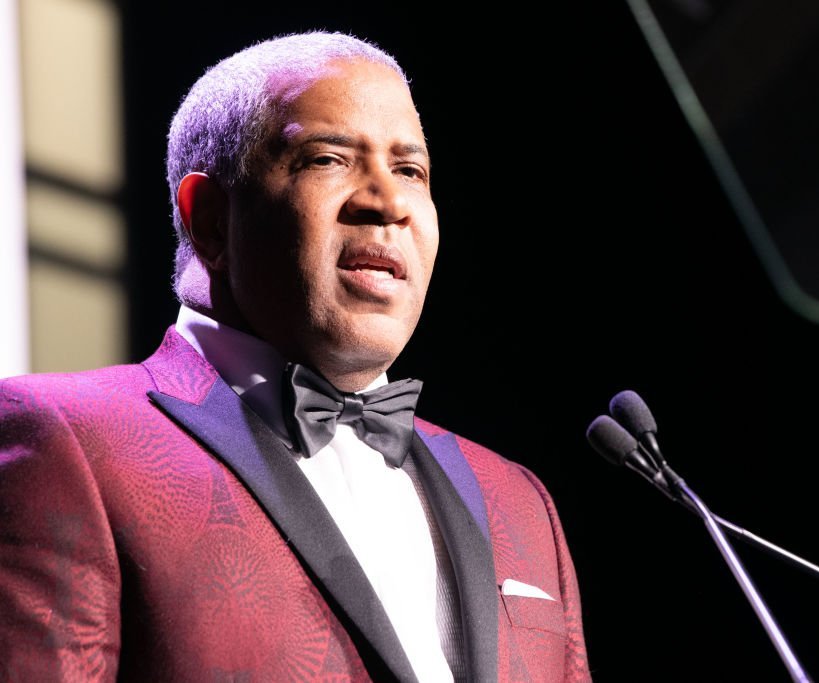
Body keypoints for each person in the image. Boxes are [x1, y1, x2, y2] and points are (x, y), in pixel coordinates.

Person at [0, 30, 591, 682]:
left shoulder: (518, 499)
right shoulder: (68, 440)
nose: (388, 202)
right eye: (328, 159)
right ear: (211, 221)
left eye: (410, 170)